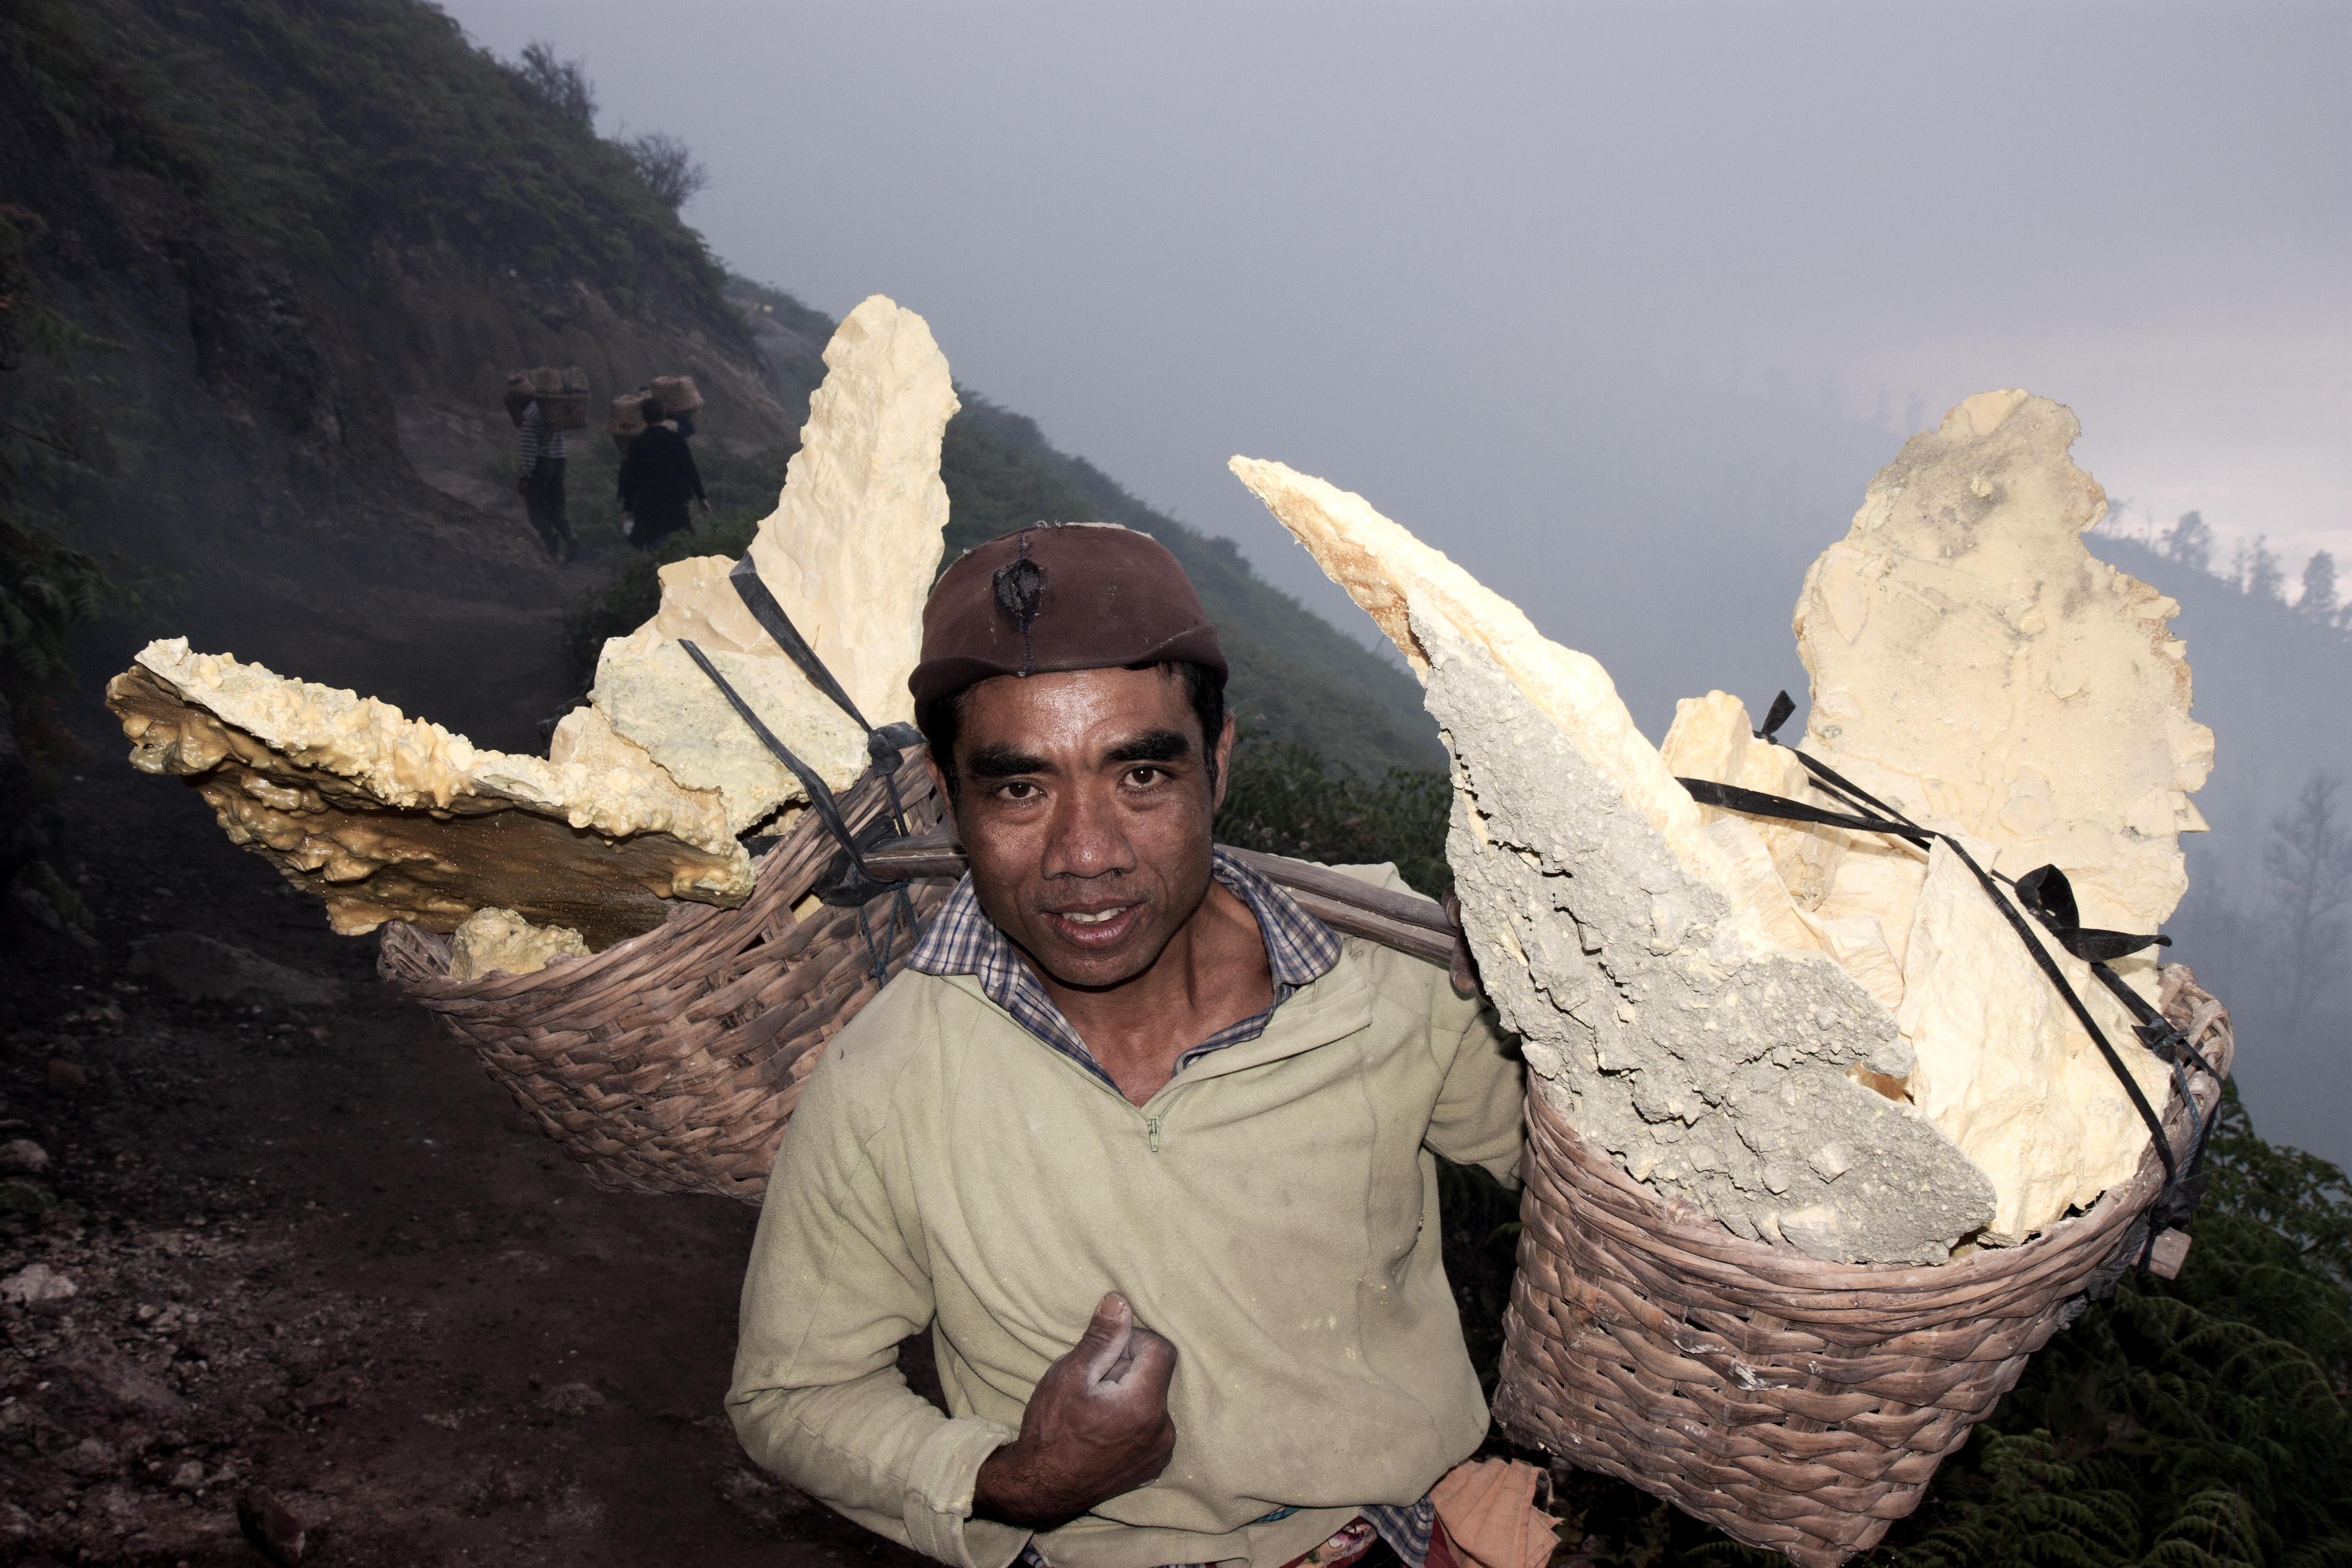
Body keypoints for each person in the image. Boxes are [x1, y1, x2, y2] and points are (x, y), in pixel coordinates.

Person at [728, 524, 1523, 1568]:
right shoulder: (889, 1075)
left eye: (1140, 776)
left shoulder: (1387, 974)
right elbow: (792, 1394)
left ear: (1218, 763)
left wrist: (1562, 1010)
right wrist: (1016, 1478)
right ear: (948, 797)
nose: (1086, 854)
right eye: (1019, 788)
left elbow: (1610, 1192)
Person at [616, 395, 707, 551]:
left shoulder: (637, 444)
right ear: (664, 416)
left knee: (654, 549)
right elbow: (690, 470)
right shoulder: (676, 440)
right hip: (677, 506)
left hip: (648, 508)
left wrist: (628, 508)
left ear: (643, 418)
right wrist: (702, 497)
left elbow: (631, 478)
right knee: (680, 548)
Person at [509, 381, 577, 562]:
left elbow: (529, 450)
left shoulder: (530, 415)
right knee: (557, 506)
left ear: (520, 398)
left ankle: (551, 552)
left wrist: (524, 477)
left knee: (537, 509)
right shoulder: (550, 409)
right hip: (560, 461)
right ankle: (570, 535)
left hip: (542, 464)